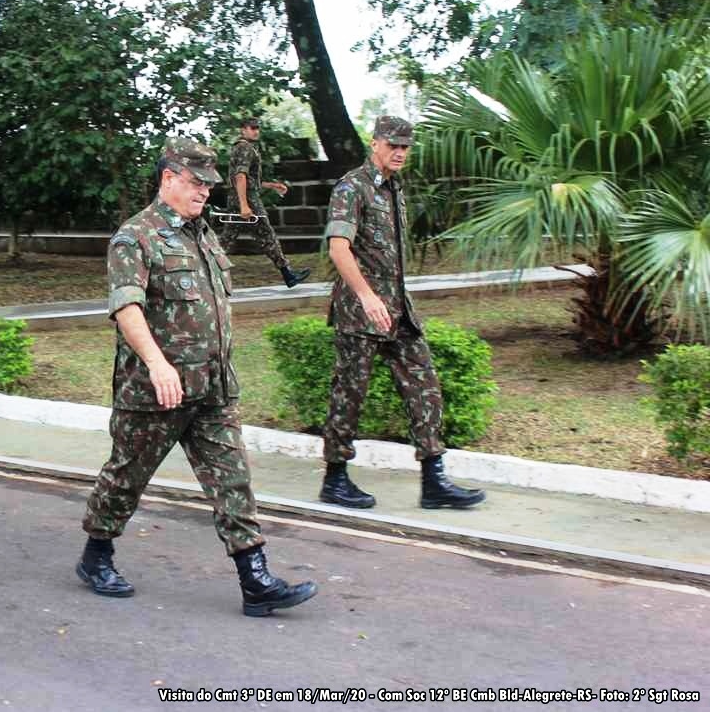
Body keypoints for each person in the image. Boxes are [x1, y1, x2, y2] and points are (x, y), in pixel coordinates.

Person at [76, 137, 318, 617]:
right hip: (155, 391)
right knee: (126, 478)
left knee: (234, 482)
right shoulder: (135, 237)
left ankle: (256, 580)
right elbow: (126, 307)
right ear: (168, 178)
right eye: (195, 182)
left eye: (209, 184)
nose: (205, 191)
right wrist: (157, 362)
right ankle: (96, 554)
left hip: (212, 388)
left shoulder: (203, 234)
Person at [318, 116, 486, 510]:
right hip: (360, 311)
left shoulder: (396, 188)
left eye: (405, 147)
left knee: (424, 386)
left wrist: (388, 300)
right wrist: (367, 297)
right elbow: (339, 248)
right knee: (349, 395)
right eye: (392, 144)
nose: (399, 152)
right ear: (374, 143)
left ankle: (434, 480)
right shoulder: (352, 187)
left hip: (399, 310)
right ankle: (335, 479)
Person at [216, 117, 311, 288]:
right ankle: (288, 275)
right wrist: (245, 205)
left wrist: (272, 185)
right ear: (243, 129)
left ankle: (206, 269)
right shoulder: (245, 147)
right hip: (246, 198)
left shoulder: (244, 147)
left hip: (240, 196)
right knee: (267, 235)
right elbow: (240, 176)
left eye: (257, 128)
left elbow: (249, 179)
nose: (256, 131)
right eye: (252, 128)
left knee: (227, 238)